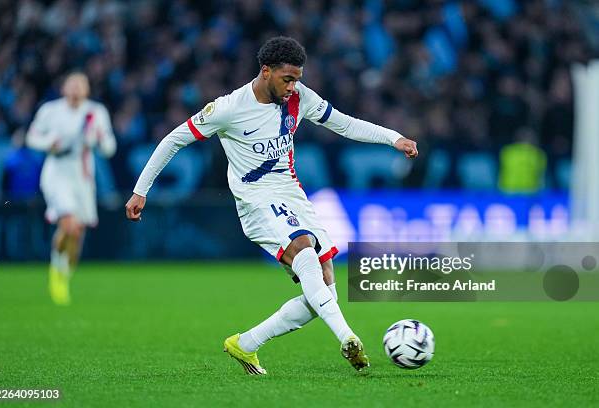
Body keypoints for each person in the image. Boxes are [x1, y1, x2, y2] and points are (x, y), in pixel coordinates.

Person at [125, 37, 418, 374]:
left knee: (324, 290)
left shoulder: (299, 97)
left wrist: (394, 138)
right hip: (256, 200)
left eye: (297, 79)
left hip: (292, 194)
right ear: (266, 71)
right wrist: (140, 191)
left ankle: (246, 343)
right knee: (303, 249)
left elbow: (345, 123)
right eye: (287, 79)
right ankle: (347, 337)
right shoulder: (229, 108)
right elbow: (173, 139)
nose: (293, 87)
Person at [27, 72, 117, 305]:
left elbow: (109, 147)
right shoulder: (50, 110)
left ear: (87, 90)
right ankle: (56, 268)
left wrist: (99, 139)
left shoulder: (96, 112)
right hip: (57, 171)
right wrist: (49, 143)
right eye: (72, 85)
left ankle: (63, 273)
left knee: (77, 233)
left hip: (82, 175)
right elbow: (32, 137)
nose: (76, 89)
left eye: (80, 85)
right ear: (64, 88)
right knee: (68, 222)